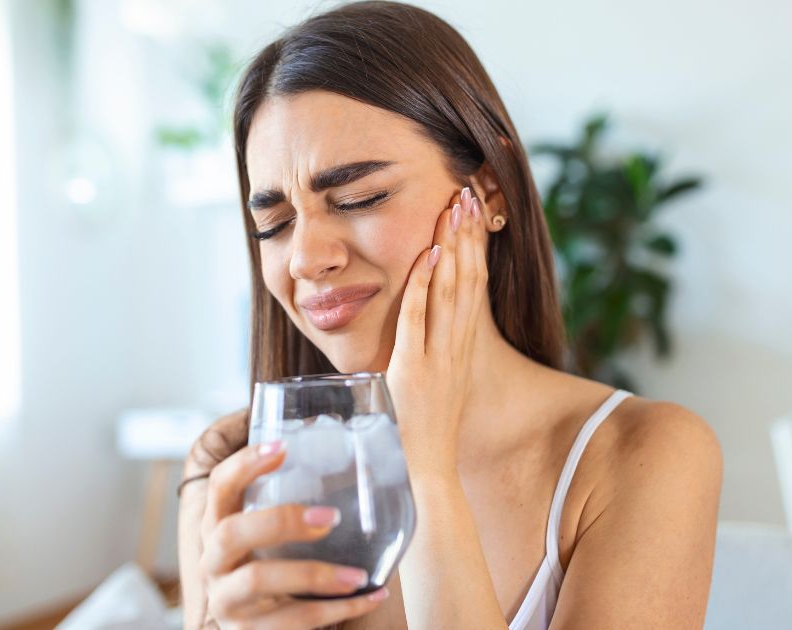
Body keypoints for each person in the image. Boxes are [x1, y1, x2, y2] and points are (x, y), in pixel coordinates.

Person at [177, 2, 722, 628]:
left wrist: (425, 467)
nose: (306, 259)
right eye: (272, 225)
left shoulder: (643, 455)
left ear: (488, 191)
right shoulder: (229, 461)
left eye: (360, 197)